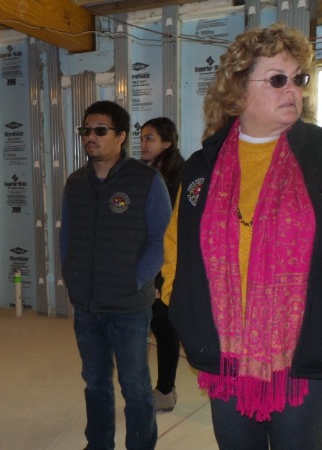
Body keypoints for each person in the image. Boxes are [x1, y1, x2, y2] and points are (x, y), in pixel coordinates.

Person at [161, 23, 322, 449]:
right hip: (227, 359)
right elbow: (175, 252)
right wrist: (186, 310)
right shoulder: (202, 167)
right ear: (237, 93)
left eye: (299, 79)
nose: (292, 89)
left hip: (312, 358)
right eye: (277, 79)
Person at [60, 100, 170, 450]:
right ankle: (99, 444)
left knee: (135, 385)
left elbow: (161, 239)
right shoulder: (76, 182)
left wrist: (137, 281)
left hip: (129, 307)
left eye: (100, 131)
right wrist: (71, 274)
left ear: (121, 136)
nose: (90, 137)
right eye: (86, 131)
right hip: (88, 304)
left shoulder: (147, 180)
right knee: (94, 381)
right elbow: (67, 235)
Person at [139, 117, 184, 413]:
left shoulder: (175, 178)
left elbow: (169, 232)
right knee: (157, 325)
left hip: (166, 266)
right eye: (141, 137)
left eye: (150, 138)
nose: (143, 144)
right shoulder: (145, 174)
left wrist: (157, 279)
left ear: (166, 143)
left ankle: (165, 390)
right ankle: (163, 389)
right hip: (149, 263)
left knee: (163, 327)